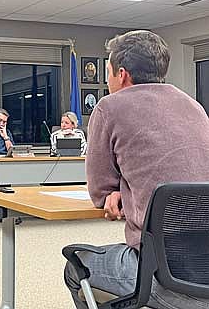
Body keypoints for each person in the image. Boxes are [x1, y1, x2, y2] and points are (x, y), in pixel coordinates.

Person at [64, 30, 209, 309]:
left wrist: (115, 190)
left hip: (164, 276)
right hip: (205, 265)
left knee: (75, 267)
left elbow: (98, 192)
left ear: (121, 74)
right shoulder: (194, 106)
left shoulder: (109, 107)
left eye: (107, 72)